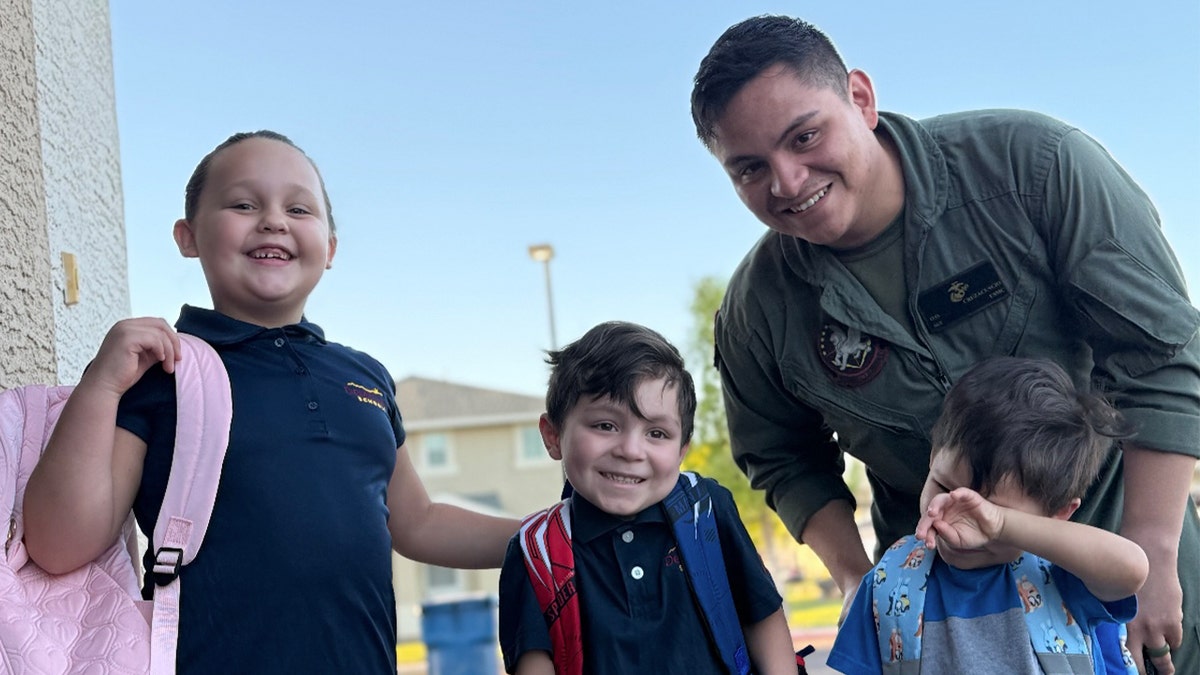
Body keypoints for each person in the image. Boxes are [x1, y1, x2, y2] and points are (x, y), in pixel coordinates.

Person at [690, 14, 1199, 675]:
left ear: (861, 98)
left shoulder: (1035, 166)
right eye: (750, 168)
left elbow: (1160, 357)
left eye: (805, 136)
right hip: (951, 624)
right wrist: (855, 580)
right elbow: (786, 461)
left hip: (1124, 558)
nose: (786, 182)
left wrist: (1152, 555)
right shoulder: (757, 312)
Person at [22, 130, 520, 674]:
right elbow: (58, 545)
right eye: (242, 204)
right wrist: (100, 384)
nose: (274, 220)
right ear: (187, 237)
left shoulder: (366, 376)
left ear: (329, 248)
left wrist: (559, 532)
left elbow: (418, 522)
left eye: (299, 208)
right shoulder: (164, 370)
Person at [497, 321, 798, 674]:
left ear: (682, 450)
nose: (630, 450)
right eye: (605, 425)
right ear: (552, 436)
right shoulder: (536, 554)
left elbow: (761, 615)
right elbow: (534, 663)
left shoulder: (705, 510)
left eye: (656, 433)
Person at [827, 356, 1148, 674]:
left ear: (1058, 513)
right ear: (933, 457)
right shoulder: (889, 582)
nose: (957, 521)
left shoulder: (1064, 575)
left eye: (993, 510)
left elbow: (1131, 568)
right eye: (944, 486)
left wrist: (1001, 525)